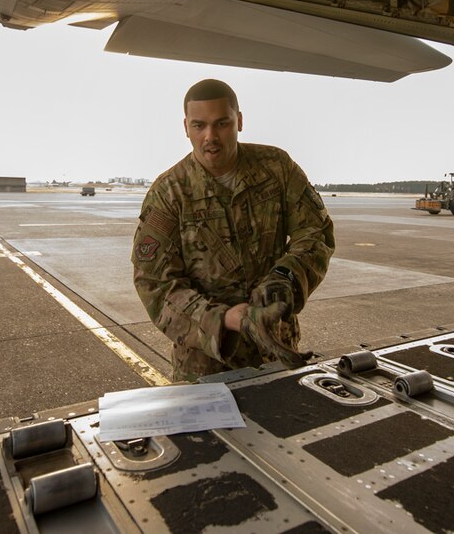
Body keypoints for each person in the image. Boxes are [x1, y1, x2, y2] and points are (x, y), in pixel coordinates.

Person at [132, 79, 334, 382]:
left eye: (222, 123)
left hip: (276, 352)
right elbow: (155, 283)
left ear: (239, 121)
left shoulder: (276, 168)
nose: (210, 137)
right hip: (205, 366)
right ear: (186, 127)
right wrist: (224, 319)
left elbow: (316, 232)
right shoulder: (169, 193)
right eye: (199, 125)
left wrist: (285, 279)